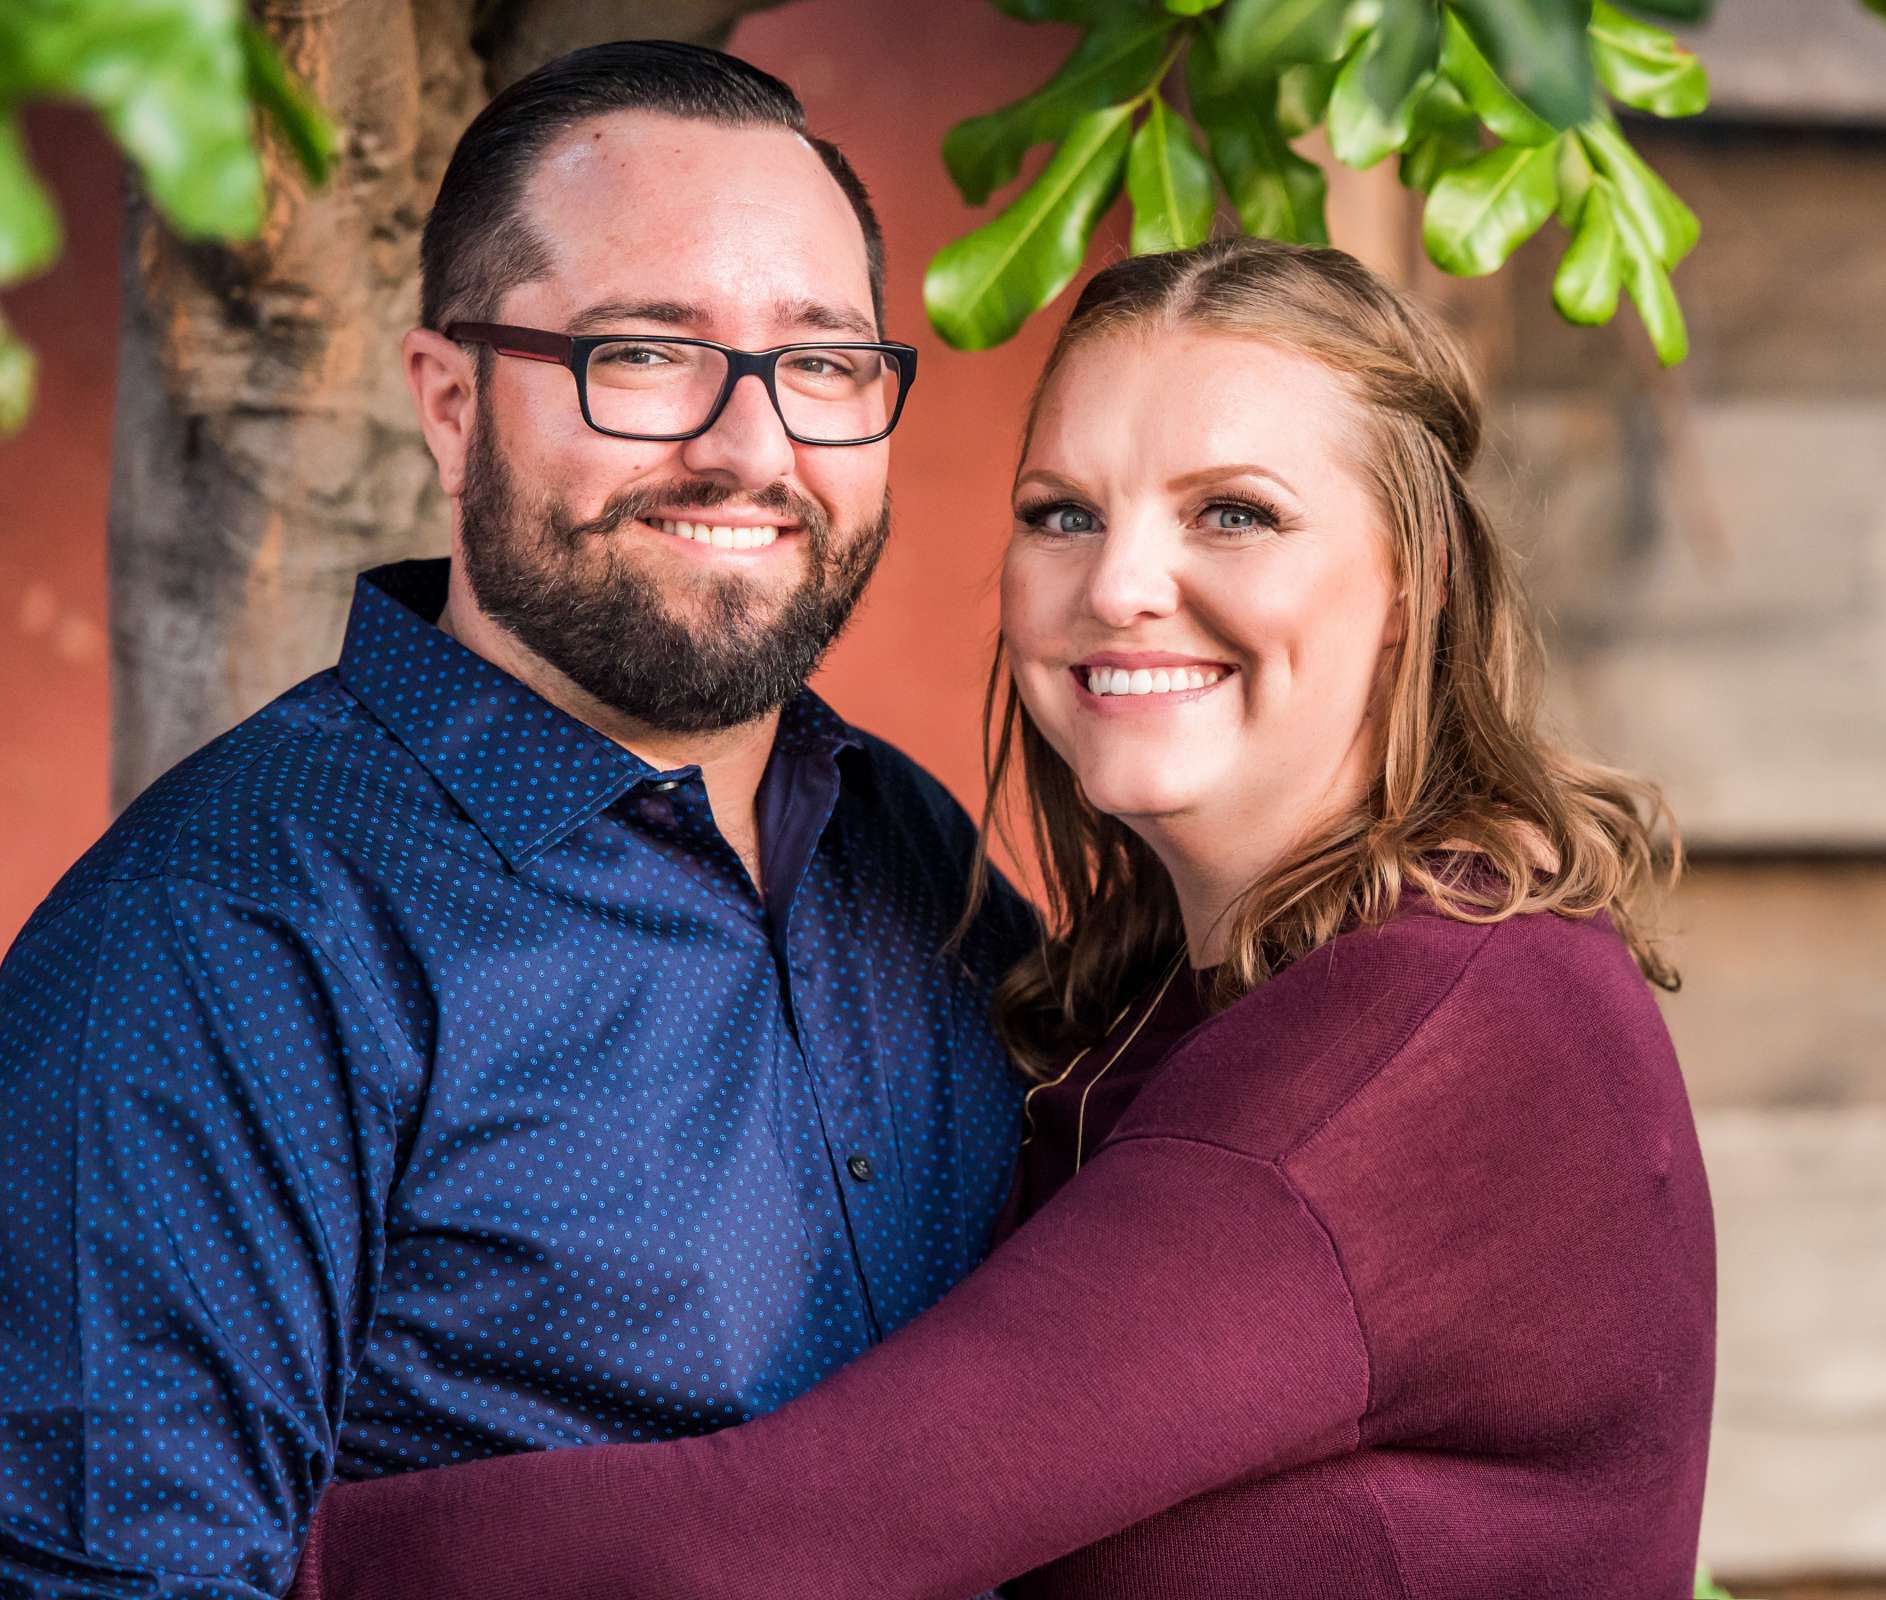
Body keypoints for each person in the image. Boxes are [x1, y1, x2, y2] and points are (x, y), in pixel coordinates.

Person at [288, 238, 1717, 1600]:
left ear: (1416, 582)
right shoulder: (1190, 989)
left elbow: (803, 1538)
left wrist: (234, 1554)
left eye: (1237, 513)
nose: (1119, 587)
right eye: (1063, 514)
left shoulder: (1423, 1041)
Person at [0, 41, 1037, 1598]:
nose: (752, 449)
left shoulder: (906, 842)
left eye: (821, 363)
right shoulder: (219, 937)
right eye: (641, 353)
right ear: (451, 404)